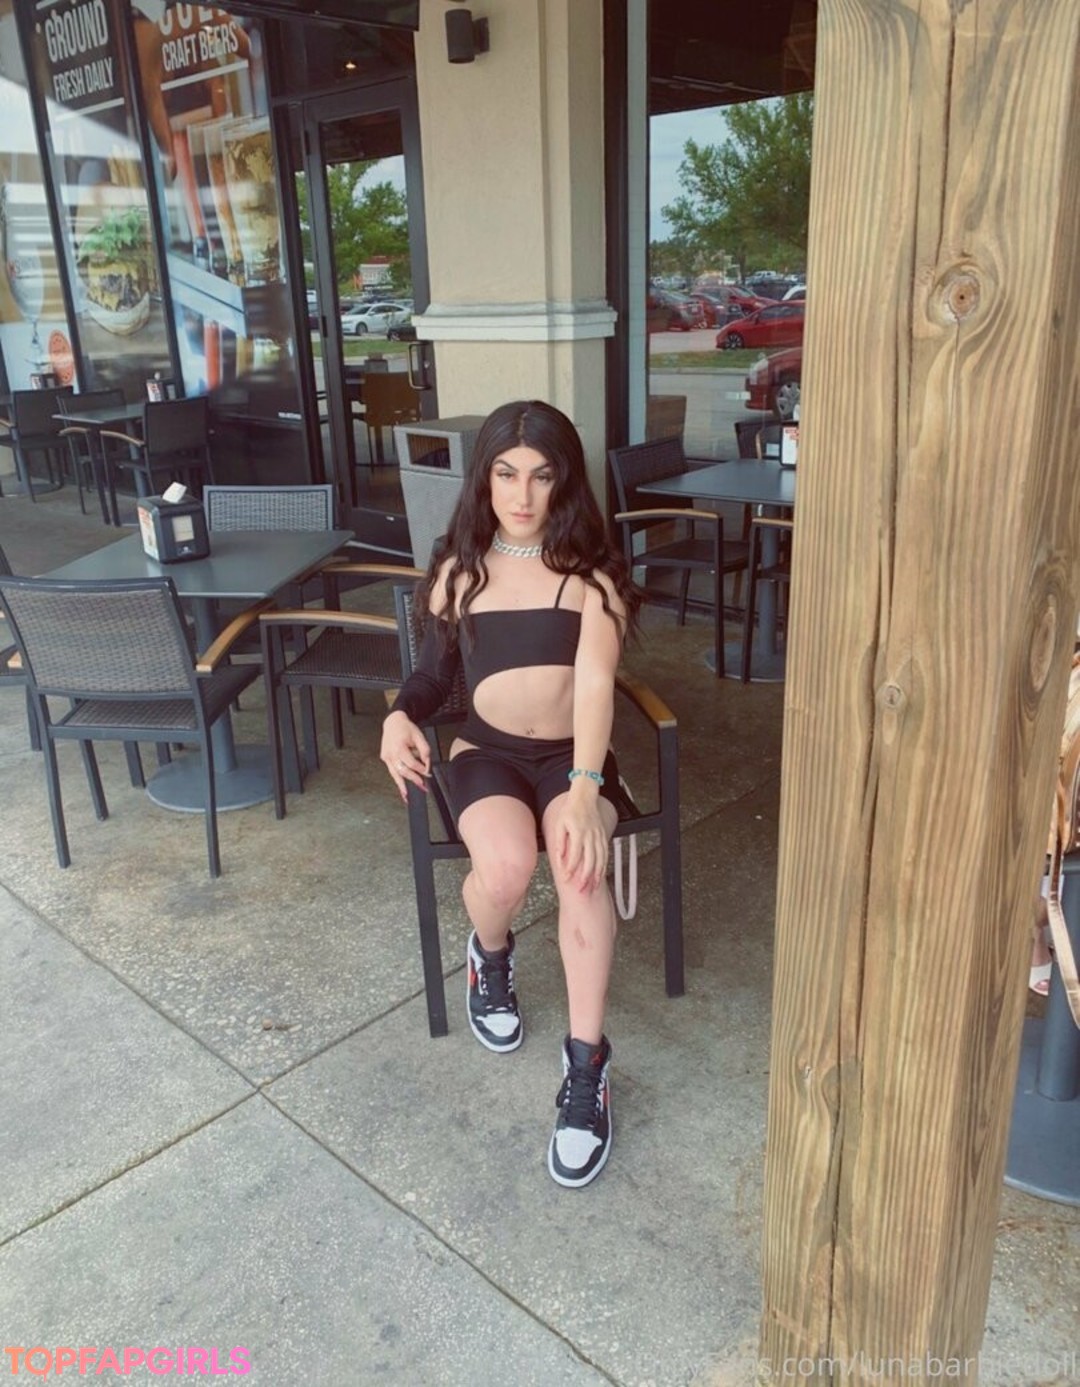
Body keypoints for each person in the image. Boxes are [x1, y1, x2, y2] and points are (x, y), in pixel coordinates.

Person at [380, 399, 639, 1188]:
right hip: (488, 750)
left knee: (579, 868)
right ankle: (489, 955)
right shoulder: (460, 571)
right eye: (505, 474)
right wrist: (399, 714)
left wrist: (587, 790)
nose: (521, 495)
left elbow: (594, 685)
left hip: (572, 759)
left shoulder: (592, 576)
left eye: (540, 475)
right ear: (484, 479)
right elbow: (432, 677)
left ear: (564, 482)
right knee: (504, 871)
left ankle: (586, 1070)